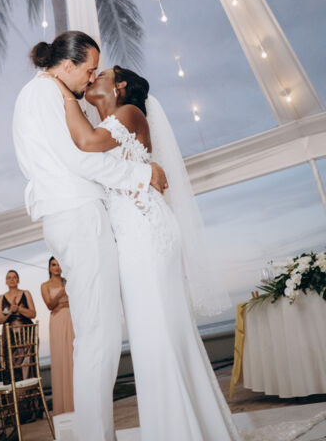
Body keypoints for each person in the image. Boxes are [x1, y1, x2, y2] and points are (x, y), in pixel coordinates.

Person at [50, 65, 240, 441]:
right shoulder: (109, 125)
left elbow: (86, 142)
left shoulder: (130, 113)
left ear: (120, 86)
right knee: (151, 334)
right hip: (132, 236)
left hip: (146, 232)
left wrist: (63, 92)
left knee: (156, 332)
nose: (93, 78)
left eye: (101, 73)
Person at [12, 30, 167, 441]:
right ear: (67, 65)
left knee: (96, 334)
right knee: (100, 336)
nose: (92, 77)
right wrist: (141, 174)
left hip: (68, 214)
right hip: (78, 214)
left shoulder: (39, 94)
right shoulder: (45, 94)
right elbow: (78, 160)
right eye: (89, 69)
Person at [41, 257, 74, 415]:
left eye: (59, 264)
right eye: (54, 265)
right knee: (61, 357)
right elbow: (50, 304)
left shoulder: (68, 281)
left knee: (73, 356)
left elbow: (75, 300)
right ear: (49, 267)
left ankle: (77, 399)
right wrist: (61, 291)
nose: (57, 267)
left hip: (71, 318)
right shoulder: (45, 285)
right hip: (57, 321)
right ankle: (64, 405)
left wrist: (63, 303)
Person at [0, 270, 36, 381]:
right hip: (10, 336)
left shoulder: (26, 293)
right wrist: (10, 311)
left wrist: (19, 309)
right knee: (12, 364)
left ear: (18, 280)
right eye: (9, 278)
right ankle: (16, 390)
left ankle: (30, 390)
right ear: (6, 281)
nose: (12, 279)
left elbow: (33, 314)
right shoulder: (1, 298)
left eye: (14, 277)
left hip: (26, 335)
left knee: (27, 364)